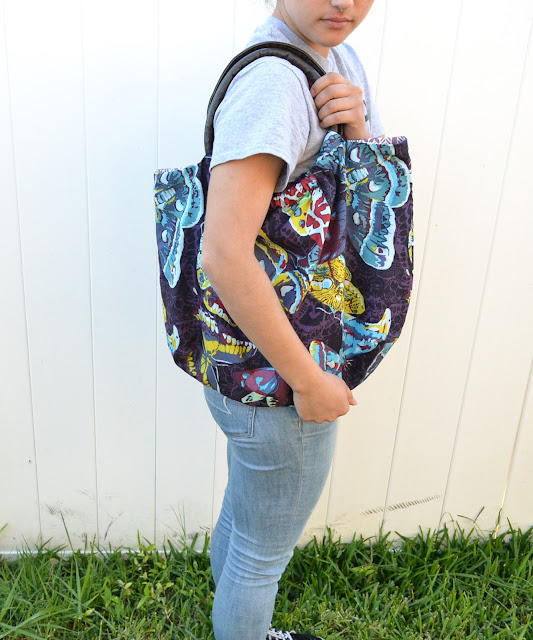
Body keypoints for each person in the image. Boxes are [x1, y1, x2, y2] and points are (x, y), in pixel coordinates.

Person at [200, 1, 383, 639]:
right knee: (260, 557)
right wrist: (308, 382)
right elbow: (224, 253)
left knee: (246, 521)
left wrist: (356, 128)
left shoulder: (329, 55)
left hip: (248, 359)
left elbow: (360, 191)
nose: (344, 2)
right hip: (281, 375)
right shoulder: (276, 82)